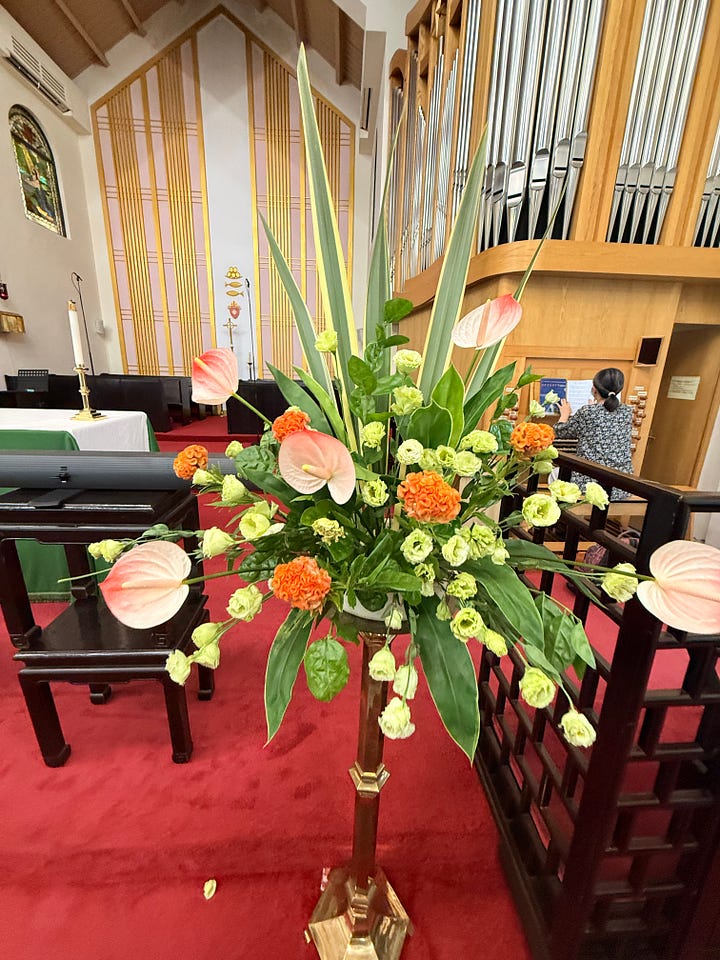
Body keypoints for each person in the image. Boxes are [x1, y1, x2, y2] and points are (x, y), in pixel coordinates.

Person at [554, 368, 634, 501]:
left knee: (554, 474)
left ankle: (563, 518)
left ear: (594, 389)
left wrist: (564, 415)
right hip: (622, 486)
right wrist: (593, 408)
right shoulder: (627, 412)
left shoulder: (588, 412)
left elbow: (560, 431)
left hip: (590, 486)